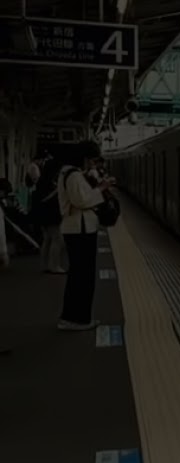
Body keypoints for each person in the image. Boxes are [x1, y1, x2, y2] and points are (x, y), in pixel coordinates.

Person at [57, 140, 113, 331]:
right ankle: (77, 319)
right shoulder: (73, 175)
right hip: (79, 230)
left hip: (79, 229)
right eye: (91, 159)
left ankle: (73, 317)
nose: (92, 164)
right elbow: (82, 200)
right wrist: (101, 188)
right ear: (83, 157)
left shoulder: (70, 173)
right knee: (82, 277)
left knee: (79, 276)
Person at [31, 157, 67, 274]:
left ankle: (44, 265)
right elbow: (45, 198)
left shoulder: (43, 179)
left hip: (44, 214)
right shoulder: (47, 181)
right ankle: (54, 265)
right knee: (57, 239)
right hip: (50, 214)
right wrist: (57, 190)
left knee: (47, 239)